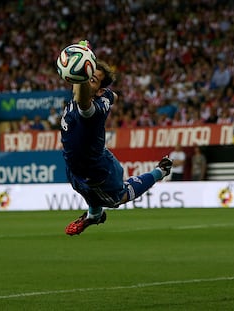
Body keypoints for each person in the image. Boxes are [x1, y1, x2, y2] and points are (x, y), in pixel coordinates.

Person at [60, 40, 172, 236]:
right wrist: (86, 55)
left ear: (98, 91)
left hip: (100, 172)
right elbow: (114, 96)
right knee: (87, 192)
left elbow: (84, 100)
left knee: (117, 199)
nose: (85, 80)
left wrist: (83, 73)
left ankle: (160, 172)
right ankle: (94, 215)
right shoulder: (102, 96)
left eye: (91, 79)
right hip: (75, 167)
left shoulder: (93, 110)